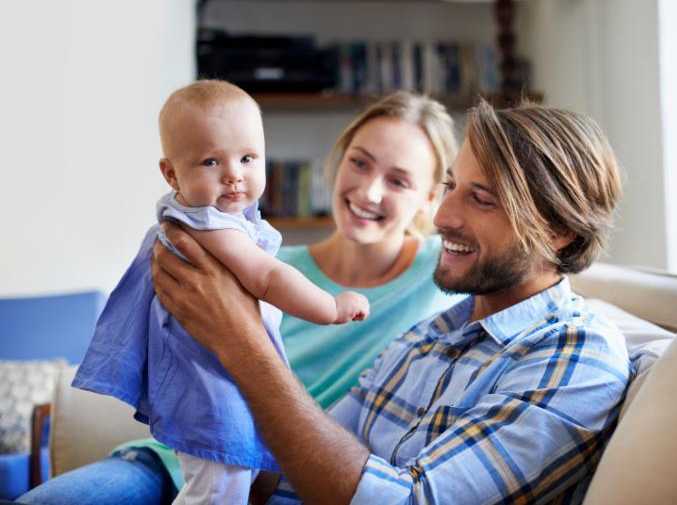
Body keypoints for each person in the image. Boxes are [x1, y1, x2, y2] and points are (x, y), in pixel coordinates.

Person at [147, 97, 630, 503]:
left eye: (481, 199)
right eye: (451, 188)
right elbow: (289, 464)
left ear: (559, 231)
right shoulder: (428, 337)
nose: (442, 217)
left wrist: (239, 341)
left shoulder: (577, 355)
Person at [16, 91, 462, 504]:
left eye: (399, 181)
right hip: (181, 453)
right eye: (360, 163)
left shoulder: (442, 274)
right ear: (338, 161)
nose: (369, 191)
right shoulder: (258, 260)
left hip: (276, 479)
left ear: (430, 198)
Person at [71, 80, 370, 504]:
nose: (233, 174)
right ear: (172, 173)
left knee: (227, 481)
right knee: (219, 487)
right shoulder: (211, 226)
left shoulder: (206, 216)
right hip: (209, 389)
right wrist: (332, 306)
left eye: (248, 157)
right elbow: (267, 278)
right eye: (211, 161)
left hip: (215, 384)